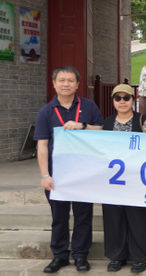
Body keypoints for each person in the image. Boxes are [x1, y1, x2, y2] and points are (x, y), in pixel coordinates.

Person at [34, 66, 104, 273]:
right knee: (59, 216)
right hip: (57, 175)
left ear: (77, 84)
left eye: (70, 80)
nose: (66, 84)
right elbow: (42, 145)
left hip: (83, 172)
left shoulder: (89, 106)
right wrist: (45, 175)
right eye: (61, 80)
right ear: (54, 83)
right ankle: (60, 256)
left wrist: (83, 126)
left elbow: (100, 130)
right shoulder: (46, 111)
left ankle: (81, 256)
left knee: (83, 215)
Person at [101, 84, 146, 273]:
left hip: (137, 179)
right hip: (113, 180)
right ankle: (117, 256)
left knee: (138, 218)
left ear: (133, 100)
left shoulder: (143, 120)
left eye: (126, 98)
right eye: (118, 98)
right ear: (113, 101)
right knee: (113, 218)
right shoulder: (106, 123)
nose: (122, 102)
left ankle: (140, 256)